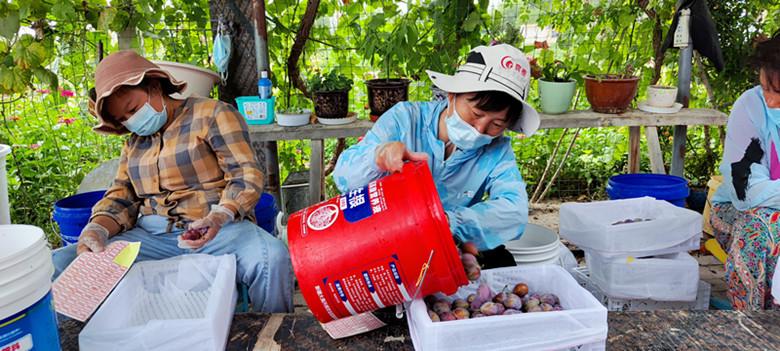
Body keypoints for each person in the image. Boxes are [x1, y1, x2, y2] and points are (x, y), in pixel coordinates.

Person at [51, 50, 293, 313]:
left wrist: (219, 215)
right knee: (59, 264)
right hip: (151, 238)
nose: (131, 121)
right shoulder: (134, 144)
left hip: (219, 230)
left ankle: (272, 332)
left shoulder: (211, 114)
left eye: (132, 109)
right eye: (123, 119)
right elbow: (121, 196)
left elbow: (245, 174)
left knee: (273, 258)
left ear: (155, 87)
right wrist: (97, 229)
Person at [333, 44, 539, 266]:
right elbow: (344, 178)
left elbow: (514, 212)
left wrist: (447, 223)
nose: (480, 129)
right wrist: (377, 157)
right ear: (452, 95)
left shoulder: (497, 152)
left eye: (496, 124)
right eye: (476, 113)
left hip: (445, 247)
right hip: (381, 245)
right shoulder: (405, 119)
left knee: (500, 261)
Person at [711, 32, 780, 310]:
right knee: (760, 228)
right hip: (736, 210)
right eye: (766, 88)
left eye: (779, 92)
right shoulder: (749, 108)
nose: (771, 101)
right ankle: (749, 324)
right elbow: (747, 193)